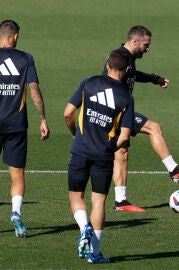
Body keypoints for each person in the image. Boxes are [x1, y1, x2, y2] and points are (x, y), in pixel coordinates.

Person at [109, 25, 179, 212]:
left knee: (121, 155)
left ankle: (120, 201)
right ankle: (174, 170)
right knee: (153, 127)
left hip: (120, 110)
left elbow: (133, 75)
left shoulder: (127, 58)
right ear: (135, 41)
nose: (148, 49)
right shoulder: (120, 57)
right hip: (118, 111)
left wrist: (154, 79)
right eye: (146, 45)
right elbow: (109, 83)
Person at [64, 50, 134, 264]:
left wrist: (75, 133)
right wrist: (110, 148)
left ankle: (84, 227)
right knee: (99, 202)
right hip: (103, 156)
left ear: (107, 65)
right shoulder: (126, 97)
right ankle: (95, 254)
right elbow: (125, 135)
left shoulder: (89, 82)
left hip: (80, 150)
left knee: (76, 196)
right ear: (127, 70)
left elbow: (68, 113)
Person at [0, 19, 50, 238]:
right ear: (16, 36)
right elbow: (34, 90)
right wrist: (43, 119)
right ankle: (16, 212)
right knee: (17, 173)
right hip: (16, 124)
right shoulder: (25, 58)